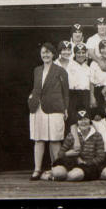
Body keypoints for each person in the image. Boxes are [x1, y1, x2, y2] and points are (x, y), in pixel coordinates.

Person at [28, 43, 69, 180]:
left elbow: (66, 93)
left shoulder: (60, 70)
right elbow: (36, 88)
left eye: (48, 52)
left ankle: (55, 168)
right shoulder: (37, 70)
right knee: (38, 140)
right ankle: (37, 169)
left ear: (53, 54)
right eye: (43, 52)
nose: (45, 55)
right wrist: (31, 98)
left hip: (55, 108)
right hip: (38, 108)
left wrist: (65, 108)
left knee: (55, 140)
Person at [52, 109, 105, 181]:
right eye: (80, 120)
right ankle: (59, 176)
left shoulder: (97, 135)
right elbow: (60, 154)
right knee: (58, 173)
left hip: (88, 166)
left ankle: (59, 177)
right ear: (77, 122)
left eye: (85, 119)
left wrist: (85, 162)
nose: (83, 122)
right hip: (72, 163)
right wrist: (67, 153)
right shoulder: (72, 135)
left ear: (89, 120)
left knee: (75, 175)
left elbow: (101, 156)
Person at [66, 43, 93, 127]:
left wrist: (92, 97)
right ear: (75, 54)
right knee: (73, 119)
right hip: (73, 95)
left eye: (83, 52)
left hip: (85, 95)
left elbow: (91, 84)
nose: (81, 55)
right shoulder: (69, 66)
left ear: (86, 54)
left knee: (85, 118)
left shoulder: (88, 68)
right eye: (78, 53)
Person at [89, 39, 106, 120]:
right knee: (98, 117)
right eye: (103, 48)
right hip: (98, 92)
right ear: (99, 50)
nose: (105, 51)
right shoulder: (94, 63)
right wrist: (92, 97)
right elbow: (91, 81)